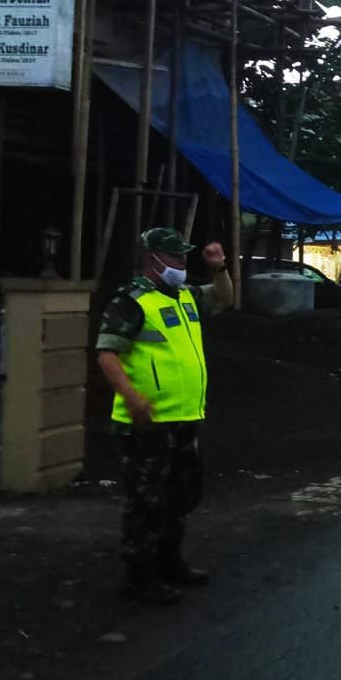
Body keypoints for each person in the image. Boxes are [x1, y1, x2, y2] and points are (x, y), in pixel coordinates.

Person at [96, 228, 233, 604]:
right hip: (147, 425)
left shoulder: (186, 296)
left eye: (184, 255)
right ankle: (138, 576)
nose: (182, 262)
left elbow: (224, 298)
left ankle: (170, 561)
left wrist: (219, 268)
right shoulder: (132, 302)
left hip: (184, 417)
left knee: (181, 495)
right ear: (152, 259)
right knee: (146, 501)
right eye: (174, 256)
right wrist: (132, 398)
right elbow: (107, 354)